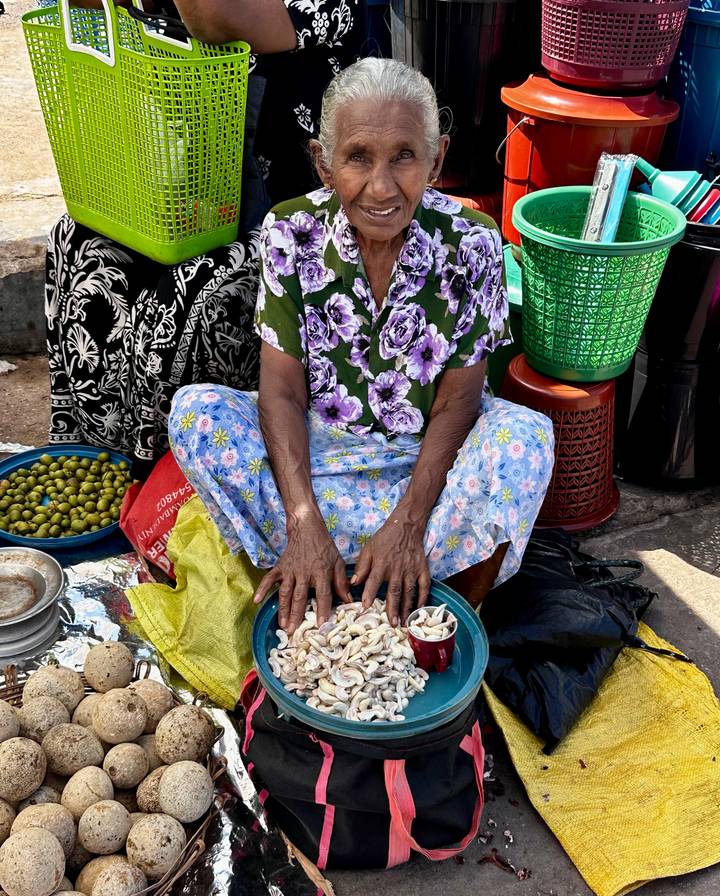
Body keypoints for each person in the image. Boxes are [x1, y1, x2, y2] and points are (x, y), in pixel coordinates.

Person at [168, 58, 555, 630]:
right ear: (323, 163)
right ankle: (315, 559)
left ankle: (437, 598)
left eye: (404, 155)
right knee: (197, 413)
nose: (381, 187)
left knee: (526, 437)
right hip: (314, 467)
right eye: (357, 158)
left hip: (426, 469)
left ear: (438, 158)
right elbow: (280, 394)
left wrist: (409, 519)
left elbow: (458, 405)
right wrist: (302, 521)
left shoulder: (473, 242)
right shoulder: (289, 231)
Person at [46, 0, 363, 466]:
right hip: (184, 176)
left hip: (291, 217)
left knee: (197, 288)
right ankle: (94, 454)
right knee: (74, 244)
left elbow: (215, 16)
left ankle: (170, 473)